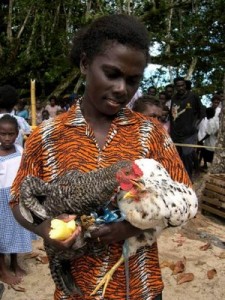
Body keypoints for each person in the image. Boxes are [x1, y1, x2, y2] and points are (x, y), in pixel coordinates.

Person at [10, 15, 196, 300]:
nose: (122, 88)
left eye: (133, 81)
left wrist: (130, 227)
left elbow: (185, 199)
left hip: (138, 285)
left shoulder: (151, 133)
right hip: (75, 289)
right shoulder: (46, 136)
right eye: (112, 74)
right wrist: (49, 230)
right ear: (85, 64)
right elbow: (17, 200)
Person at [0, 115, 35, 285]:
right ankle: (3, 269)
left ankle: (14, 262)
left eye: (10, 134)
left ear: (17, 134)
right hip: (0, 201)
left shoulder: (21, 152)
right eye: (2, 134)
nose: (7, 138)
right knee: (1, 234)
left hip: (15, 198)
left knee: (15, 231)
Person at [169, 77, 205, 180]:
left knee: (187, 155)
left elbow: (202, 112)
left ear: (185, 85)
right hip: (176, 133)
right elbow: (172, 115)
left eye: (182, 85)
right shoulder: (174, 98)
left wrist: (195, 125)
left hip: (189, 133)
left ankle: (188, 178)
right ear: (175, 87)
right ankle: (179, 177)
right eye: (178, 86)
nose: (180, 88)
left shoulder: (193, 96)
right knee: (177, 156)